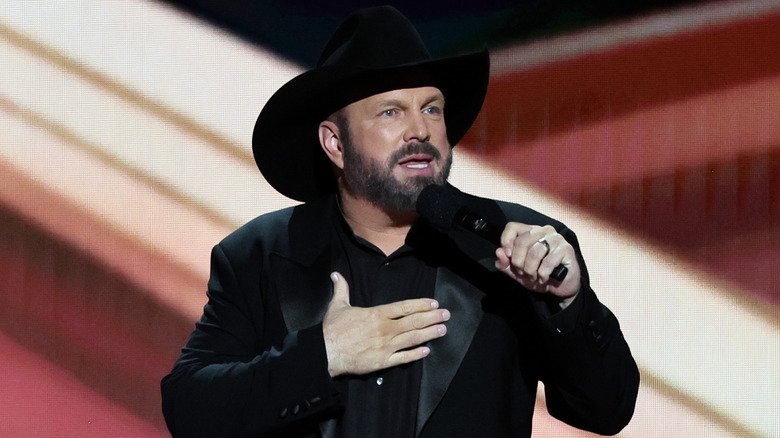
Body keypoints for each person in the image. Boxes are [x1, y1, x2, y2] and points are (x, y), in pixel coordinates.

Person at [161, 5, 639, 438]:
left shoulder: (518, 245)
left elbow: (606, 410)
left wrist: (569, 302)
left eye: (432, 108)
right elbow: (190, 409)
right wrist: (322, 357)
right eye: (391, 111)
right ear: (335, 143)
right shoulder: (259, 254)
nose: (420, 129)